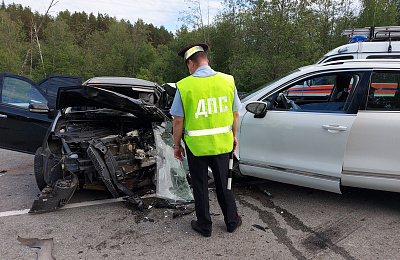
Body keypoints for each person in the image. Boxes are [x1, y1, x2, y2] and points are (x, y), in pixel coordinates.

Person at [170, 43, 242, 237]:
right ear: (206, 60)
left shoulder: (185, 86)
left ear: (191, 63)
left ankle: (204, 225)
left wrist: (177, 146)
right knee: (224, 183)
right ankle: (232, 221)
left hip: (196, 147)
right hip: (222, 144)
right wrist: (233, 136)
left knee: (200, 186)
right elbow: (235, 115)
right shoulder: (228, 81)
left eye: (188, 66)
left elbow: (178, 121)